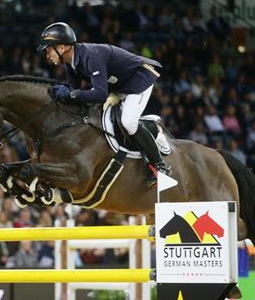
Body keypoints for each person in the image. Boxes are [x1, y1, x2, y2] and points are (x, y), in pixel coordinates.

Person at [37, 22, 171, 186]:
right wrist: (63, 91)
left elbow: (99, 94)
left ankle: (161, 165)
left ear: (62, 47)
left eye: (48, 49)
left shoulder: (91, 56)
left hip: (140, 79)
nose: (47, 55)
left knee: (128, 122)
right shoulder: (70, 62)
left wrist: (71, 93)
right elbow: (74, 89)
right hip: (119, 86)